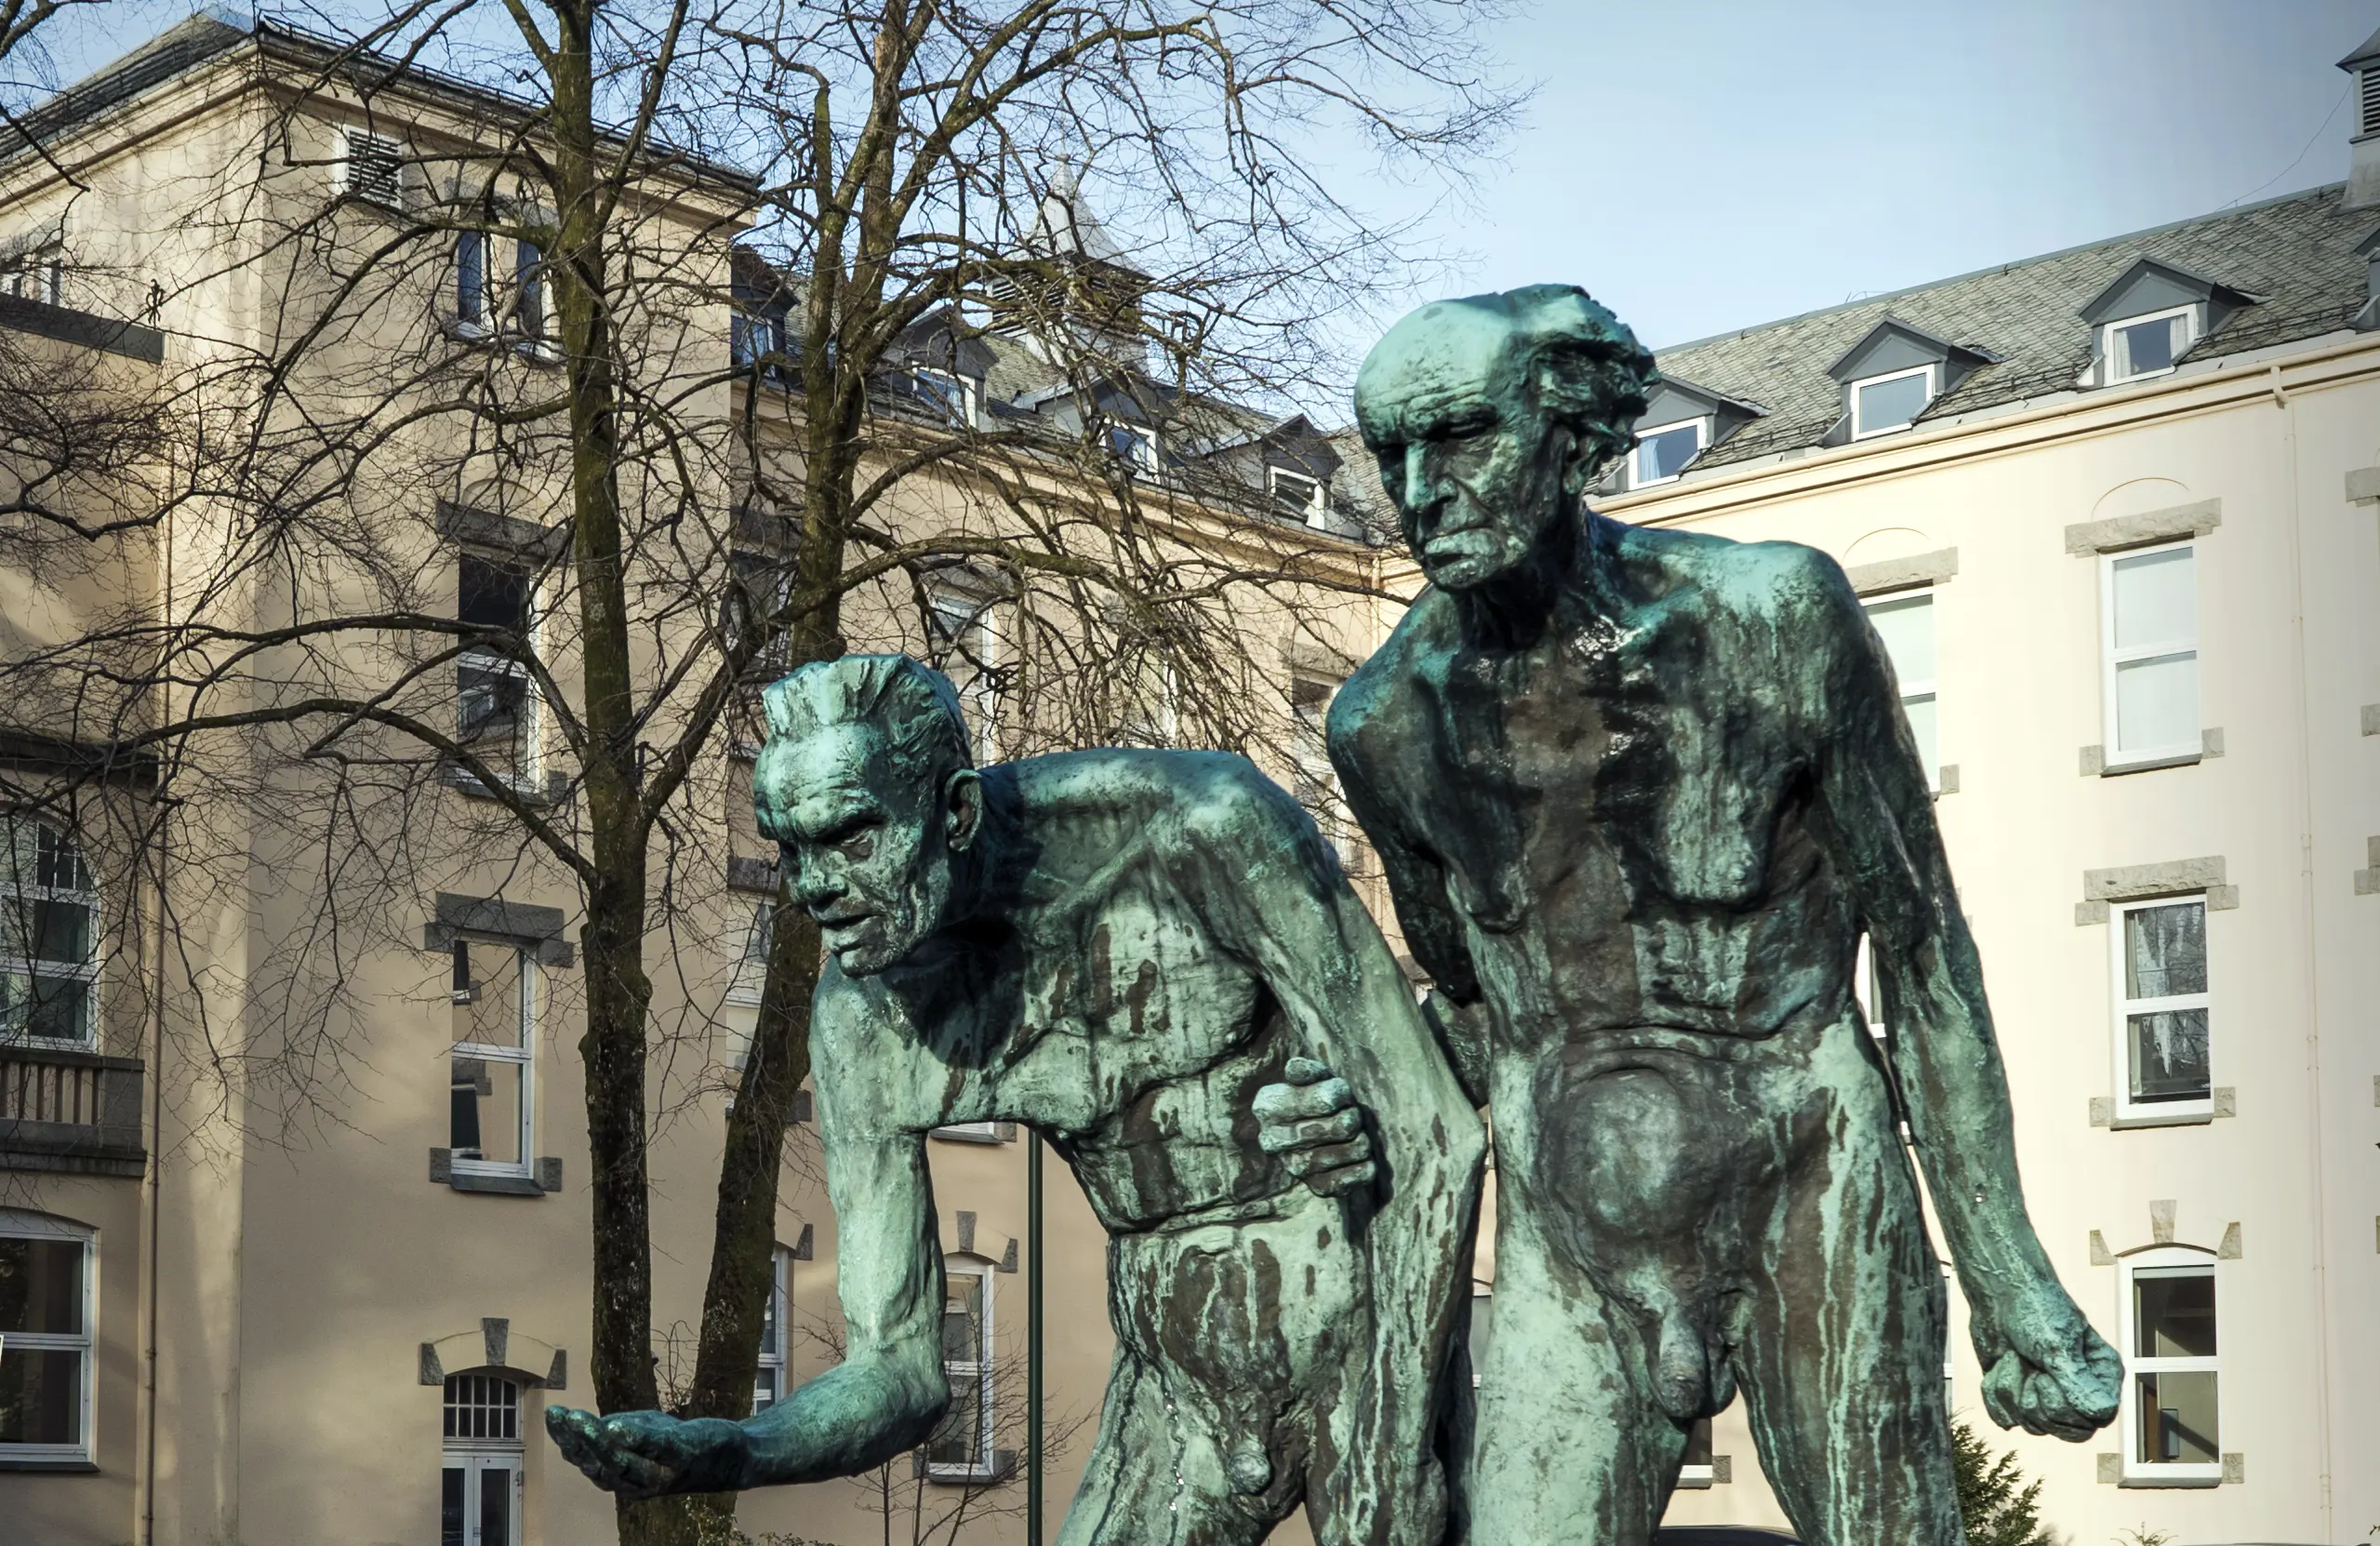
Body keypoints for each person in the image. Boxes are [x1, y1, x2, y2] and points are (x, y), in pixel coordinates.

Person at [1254, 286, 2120, 1546]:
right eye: (1391, 453)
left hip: (1806, 1172)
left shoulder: (1773, 618)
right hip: (1568, 1232)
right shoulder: (1383, 723)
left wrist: (2003, 1272)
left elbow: (1923, 949)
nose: (1418, 486)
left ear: (1569, 434)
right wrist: (1343, 1097)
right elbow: (1459, 1011)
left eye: (1456, 436)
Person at [547, 655, 1483, 1546]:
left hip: (1364, 1310)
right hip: (1178, 1378)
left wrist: (1399, 1427)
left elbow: (1431, 1129)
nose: (818, 888)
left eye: (852, 838)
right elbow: (901, 1372)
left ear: (953, 812)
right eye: (792, 852)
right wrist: (733, 1449)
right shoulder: (864, 1021)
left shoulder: (1204, 830)